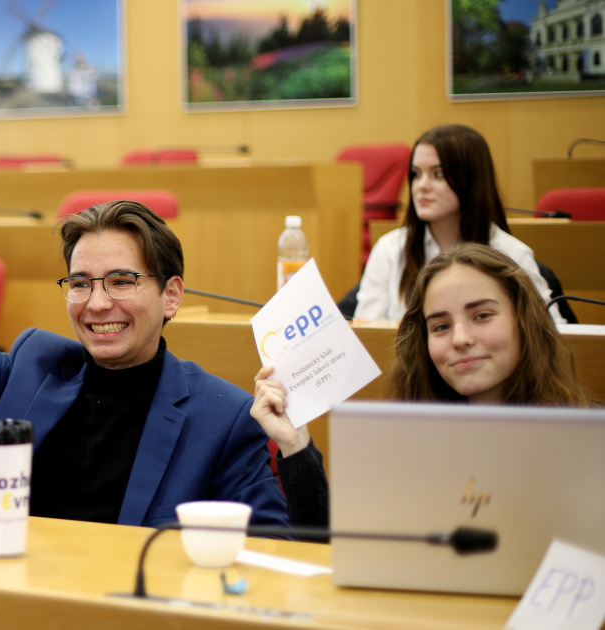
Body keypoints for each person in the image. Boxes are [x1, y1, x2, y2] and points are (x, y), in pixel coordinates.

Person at [0, 115, 289, 528]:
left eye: (120, 281)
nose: (95, 304)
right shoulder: (33, 367)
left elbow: (277, 547)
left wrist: (295, 451)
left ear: (170, 296)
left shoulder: (220, 415)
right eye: (79, 283)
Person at [253, 242, 591, 528]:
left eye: (482, 316)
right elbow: (336, 552)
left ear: (523, 321)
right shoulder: (405, 448)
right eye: (441, 326)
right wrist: (295, 442)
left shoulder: (586, 444)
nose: (460, 338)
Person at [355, 124, 564, 324]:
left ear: (471, 180)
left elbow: (552, 337)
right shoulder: (389, 249)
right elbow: (368, 337)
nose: (421, 186)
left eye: (438, 174)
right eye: (416, 174)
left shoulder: (513, 254)